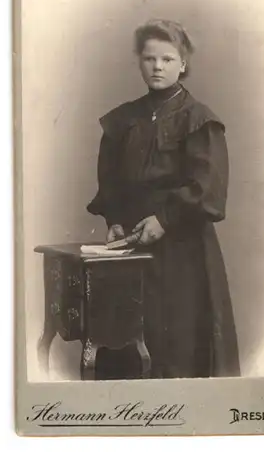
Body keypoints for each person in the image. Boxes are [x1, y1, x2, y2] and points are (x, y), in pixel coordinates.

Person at [87, 19, 240, 379]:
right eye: (149, 58)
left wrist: (164, 220)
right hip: (130, 249)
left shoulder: (199, 120)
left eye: (168, 59)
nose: (157, 67)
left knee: (177, 346)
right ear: (139, 62)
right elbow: (111, 182)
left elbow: (210, 190)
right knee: (127, 341)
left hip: (183, 250)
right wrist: (115, 221)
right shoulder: (123, 119)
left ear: (183, 64)